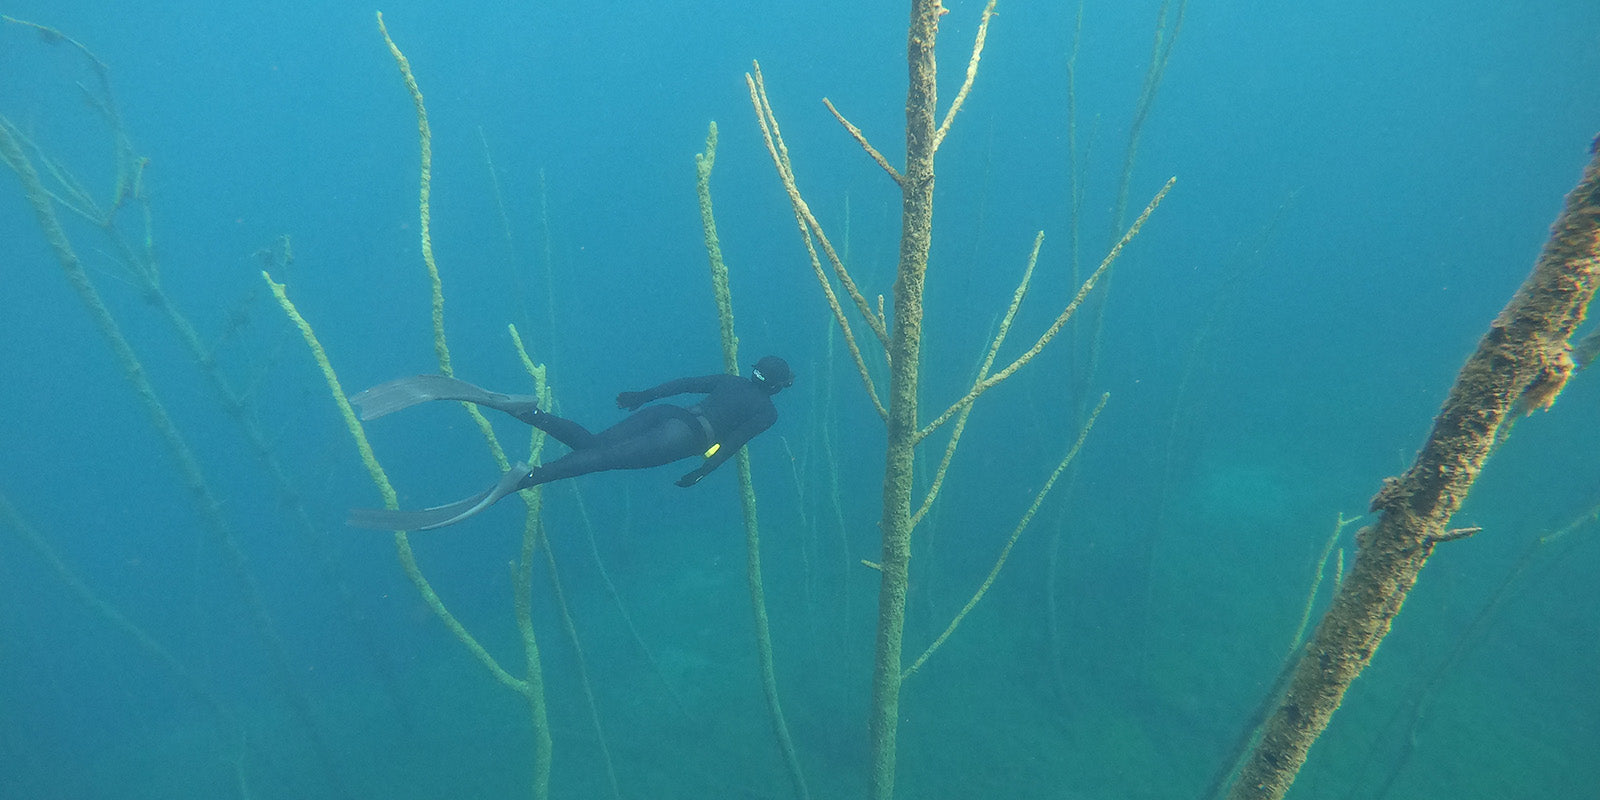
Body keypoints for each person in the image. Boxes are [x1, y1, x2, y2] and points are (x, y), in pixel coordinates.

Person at [346, 355, 795, 531]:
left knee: (592, 445)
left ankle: (524, 411)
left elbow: (685, 381)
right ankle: (527, 480)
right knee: (598, 460)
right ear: (776, 387)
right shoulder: (767, 412)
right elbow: (732, 443)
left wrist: (642, 395)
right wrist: (702, 468)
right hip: (687, 437)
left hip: (669, 415)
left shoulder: (730, 380)